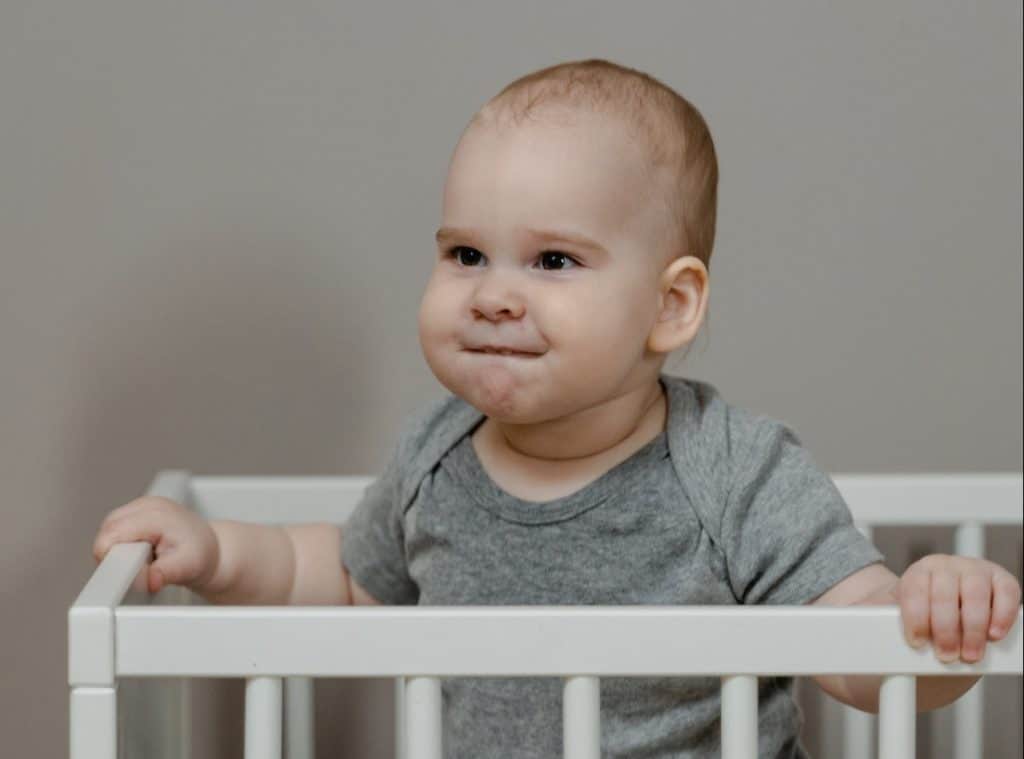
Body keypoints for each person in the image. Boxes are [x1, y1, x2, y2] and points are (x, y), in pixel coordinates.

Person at [92, 59, 1021, 757]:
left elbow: (858, 651)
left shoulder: (735, 470)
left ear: (671, 305)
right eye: (465, 255)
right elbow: (339, 575)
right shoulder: (437, 454)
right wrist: (218, 553)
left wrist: (927, 613)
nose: (494, 294)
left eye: (553, 261)